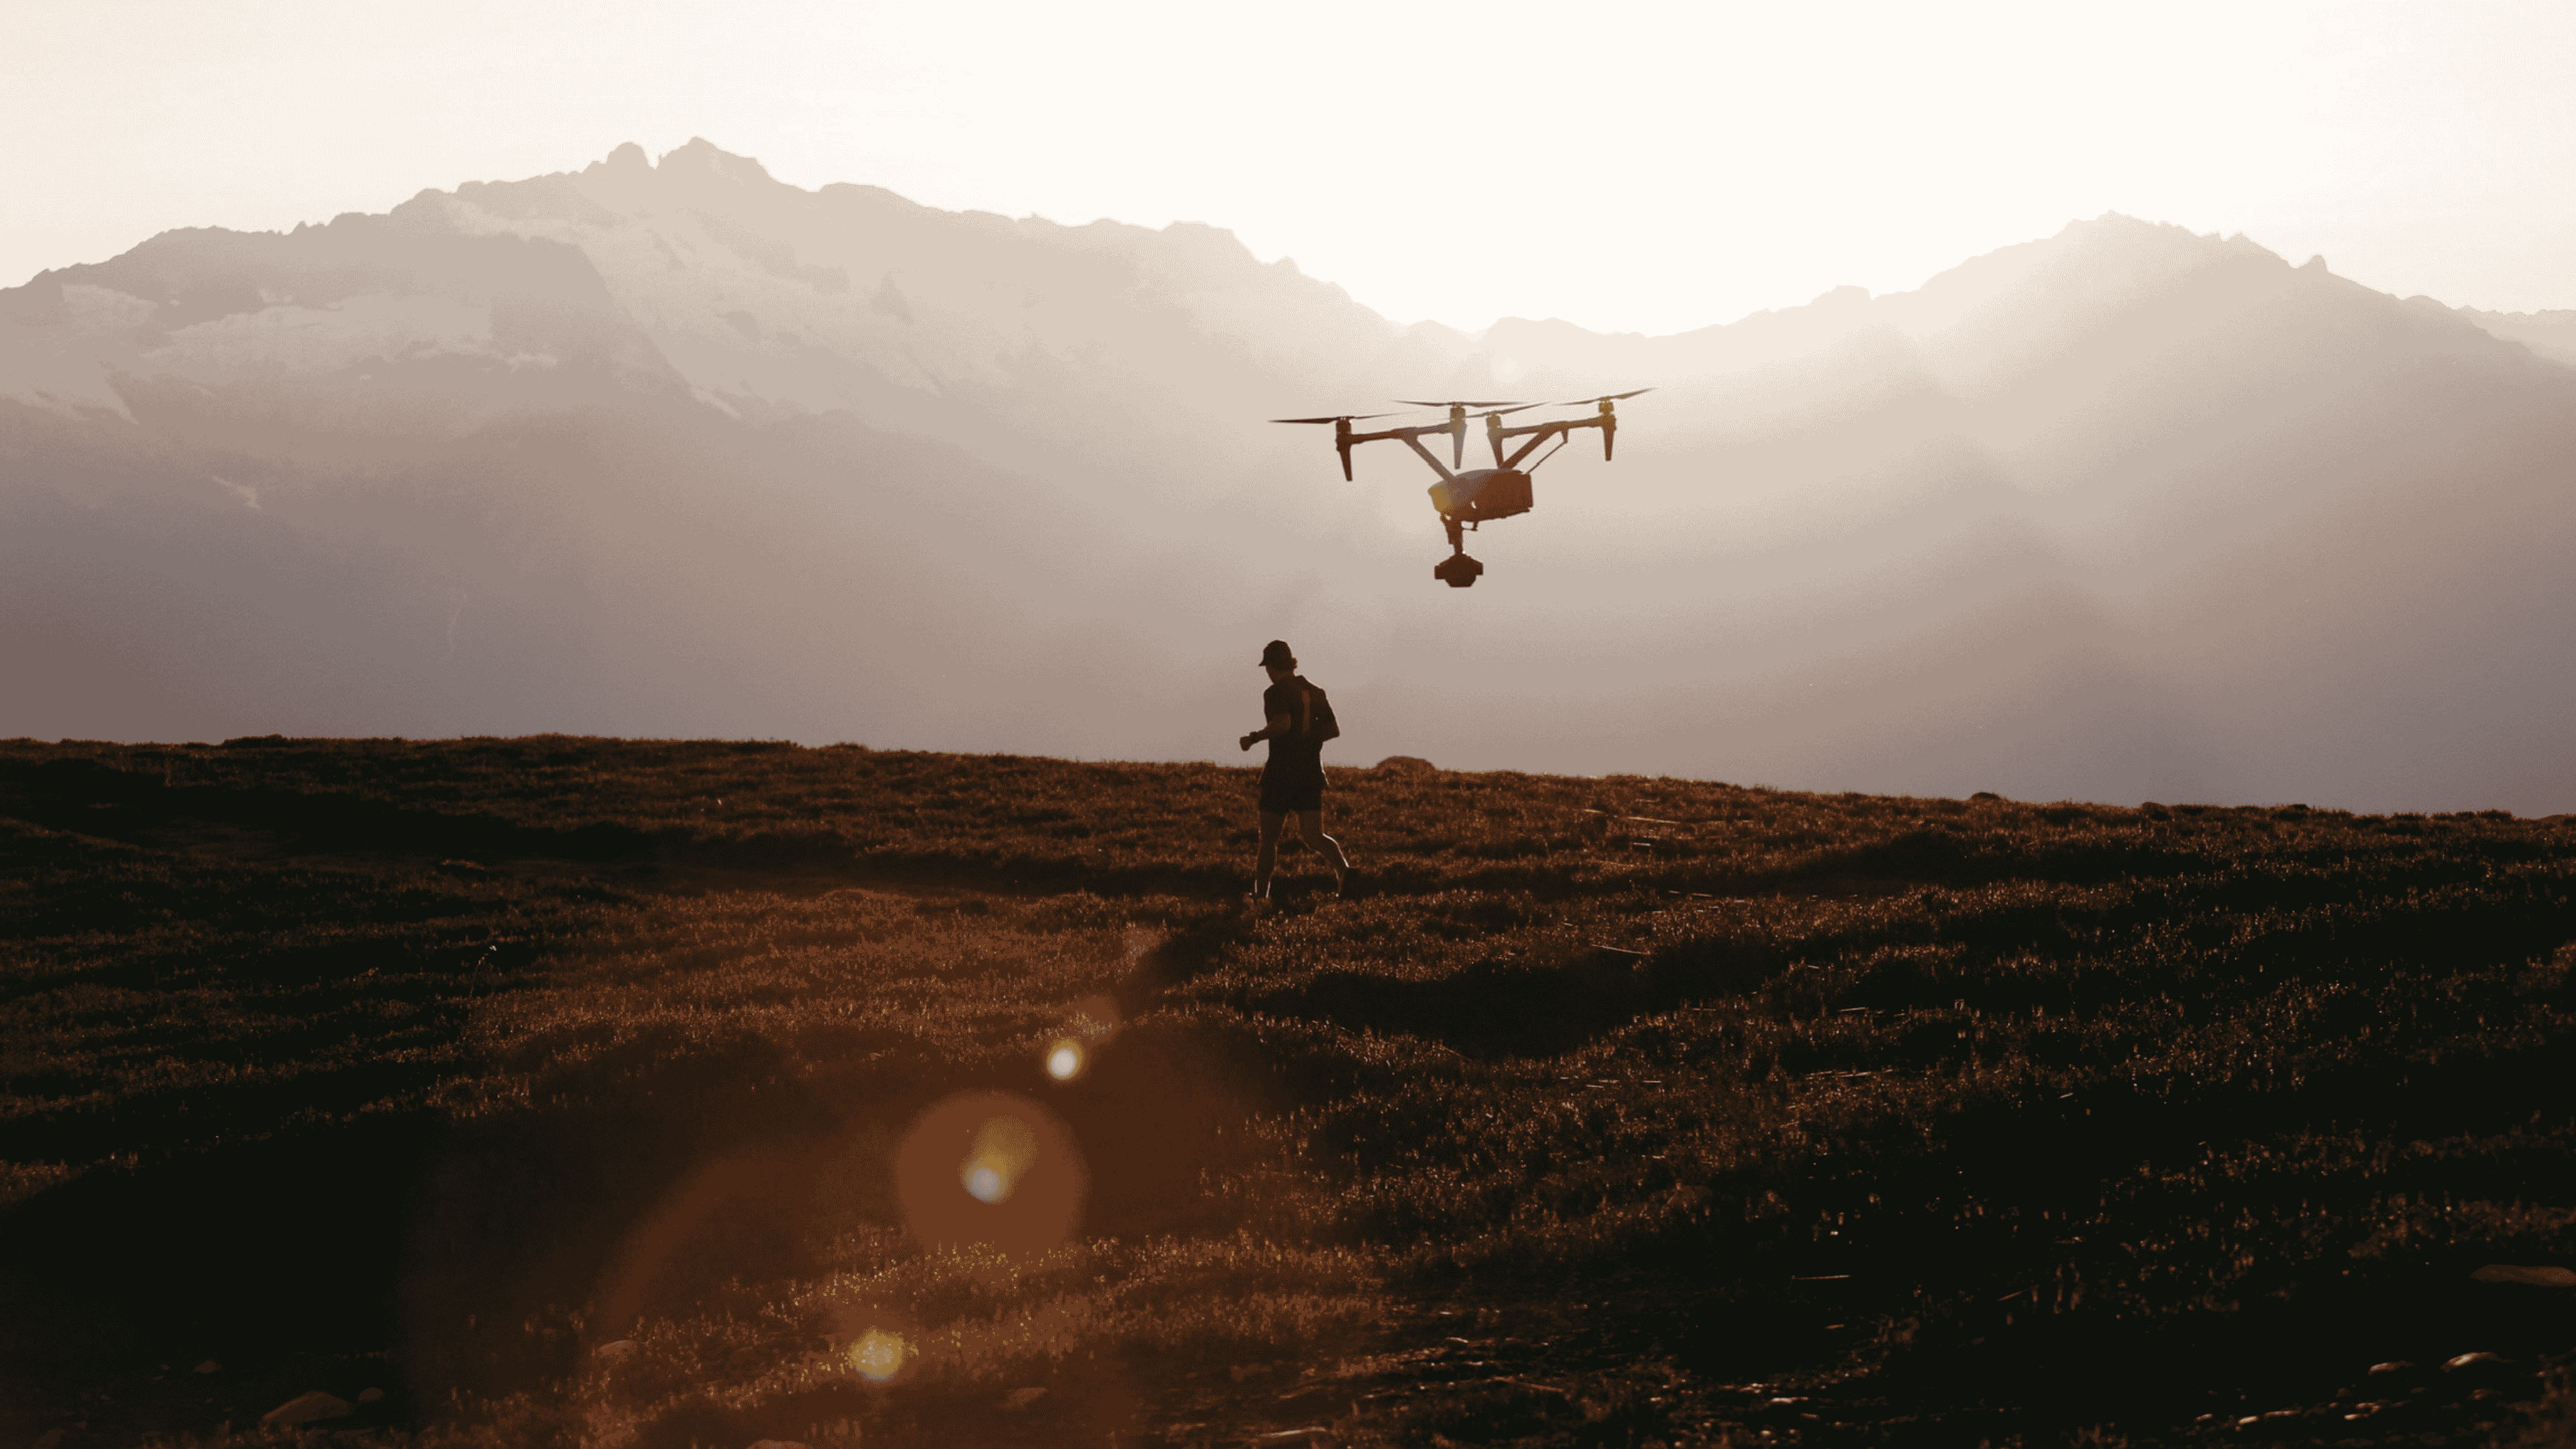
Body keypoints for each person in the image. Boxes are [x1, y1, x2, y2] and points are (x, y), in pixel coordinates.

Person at [1236, 639, 1350, 904]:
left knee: (1269, 840)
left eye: (1267, 667)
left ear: (1272, 666)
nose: (1267, 673)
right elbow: (1333, 730)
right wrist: (1309, 740)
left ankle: (1261, 895)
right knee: (1315, 836)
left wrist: (1253, 738)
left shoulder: (1274, 693)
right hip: (1310, 774)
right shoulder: (1316, 691)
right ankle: (1346, 875)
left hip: (1280, 775)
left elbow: (1282, 724)